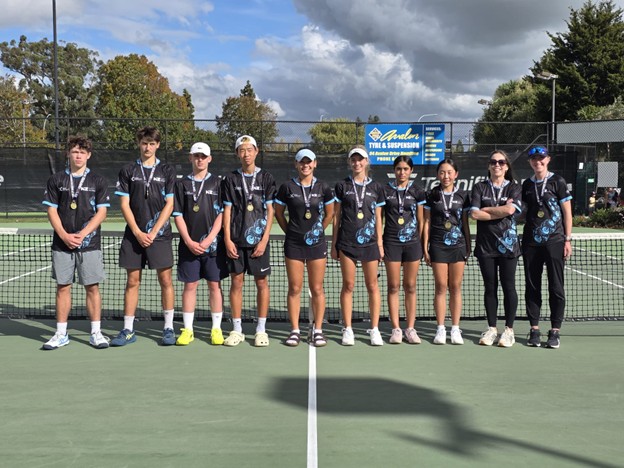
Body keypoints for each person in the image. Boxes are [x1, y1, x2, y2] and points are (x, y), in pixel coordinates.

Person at [42, 136, 111, 350]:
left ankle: (96, 333)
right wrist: (64, 235)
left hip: (89, 244)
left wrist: (82, 234)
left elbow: (102, 212)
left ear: (88, 155)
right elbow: (51, 210)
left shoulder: (98, 181)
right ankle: (61, 334)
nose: (78, 155)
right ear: (68, 154)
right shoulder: (56, 180)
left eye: (82, 152)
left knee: (92, 287)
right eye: (74, 151)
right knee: (63, 287)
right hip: (62, 243)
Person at [111, 126, 177, 346]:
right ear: (139, 144)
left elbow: (170, 204)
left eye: (152, 143)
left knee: (165, 280)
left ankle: (168, 328)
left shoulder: (167, 171)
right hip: (134, 236)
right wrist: (138, 232)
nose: (147, 147)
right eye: (144, 143)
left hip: (160, 235)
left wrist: (154, 231)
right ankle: (128, 330)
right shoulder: (128, 170)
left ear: (157, 145)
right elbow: (124, 204)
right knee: (132, 281)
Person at [275, 148, 335, 347]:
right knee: (294, 288)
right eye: (302, 162)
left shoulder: (324, 187)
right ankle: (295, 331)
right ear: (296, 164)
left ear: (315, 164)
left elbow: (330, 213)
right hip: (294, 244)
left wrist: (318, 231)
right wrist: (290, 232)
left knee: (317, 288)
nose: (305, 165)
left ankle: (318, 330)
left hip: (317, 244)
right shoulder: (287, 187)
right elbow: (278, 213)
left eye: (309, 162)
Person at [221, 135, 276, 347]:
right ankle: (237, 330)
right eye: (242, 150)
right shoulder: (230, 179)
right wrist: (227, 239)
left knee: (262, 283)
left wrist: (264, 240)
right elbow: (227, 211)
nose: (246, 154)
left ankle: (261, 330)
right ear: (237, 153)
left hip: (258, 241)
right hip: (236, 240)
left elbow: (270, 211)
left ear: (256, 151)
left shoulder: (267, 178)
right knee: (236, 282)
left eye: (249, 149)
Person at [172, 142, 228, 346]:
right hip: (189, 246)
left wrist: (210, 238)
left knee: (214, 285)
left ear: (209, 159)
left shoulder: (219, 183)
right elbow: (177, 214)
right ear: (190, 158)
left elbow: (222, 214)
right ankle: (188, 330)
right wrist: (188, 241)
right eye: (196, 156)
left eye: (203, 156)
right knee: (190, 286)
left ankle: (216, 329)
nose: (200, 160)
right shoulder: (181, 184)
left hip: (213, 246)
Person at [332, 145, 385, 346]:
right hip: (347, 242)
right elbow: (337, 217)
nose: (357, 163)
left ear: (366, 161)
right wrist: (334, 244)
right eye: (353, 159)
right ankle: (348, 329)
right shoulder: (342, 186)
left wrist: (380, 244)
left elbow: (378, 218)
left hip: (370, 244)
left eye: (360, 159)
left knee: (372, 285)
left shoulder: (376, 187)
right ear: (349, 162)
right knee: (348, 285)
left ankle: (375, 329)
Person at [522, 146, 573, 349]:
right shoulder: (527, 185)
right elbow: (522, 211)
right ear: (530, 162)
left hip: (555, 241)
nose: (538, 162)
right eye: (534, 159)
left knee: (556, 287)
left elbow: (567, 213)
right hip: (531, 243)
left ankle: (555, 331)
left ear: (548, 159)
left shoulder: (557, 181)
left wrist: (567, 239)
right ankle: (534, 330)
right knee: (532, 286)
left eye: (541, 158)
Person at [470, 151, 522, 348]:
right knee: (490, 287)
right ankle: (492, 328)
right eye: (493, 162)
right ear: (489, 166)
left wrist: (488, 209)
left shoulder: (515, 187)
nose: (497, 165)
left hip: (508, 246)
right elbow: (475, 214)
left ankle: (509, 330)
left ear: (506, 166)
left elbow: (511, 210)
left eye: (501, 162)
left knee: (508, 286)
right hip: (485, 246)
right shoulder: (479, 187)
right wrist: (501, 209)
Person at [423, 158, 471, 345]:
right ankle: (441, 328)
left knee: (455, 287)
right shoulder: (431, 195)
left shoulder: (463, 195)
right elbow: (427, 222)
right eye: (442, 172)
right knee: (441, 287)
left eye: (450, 172)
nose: (446, 176)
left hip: (458, 246)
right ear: (438, 175)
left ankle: (455, 329)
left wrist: (468, 246)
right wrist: (425, 247)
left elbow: (465, 223)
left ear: (456, 174)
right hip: (437, 245)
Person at [382, 156, 426, 344]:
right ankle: (396, 329)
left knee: (410, 286)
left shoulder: (418, 191)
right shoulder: (385, 191)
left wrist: (421, 243)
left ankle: (410, 328)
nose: (402, 172)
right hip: (391, 243)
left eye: (405, 169)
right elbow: (379, 218)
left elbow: (422, 220)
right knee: (393, 286)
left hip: (412, 244)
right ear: (394, 170)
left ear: (411, 171)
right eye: (399, 169)